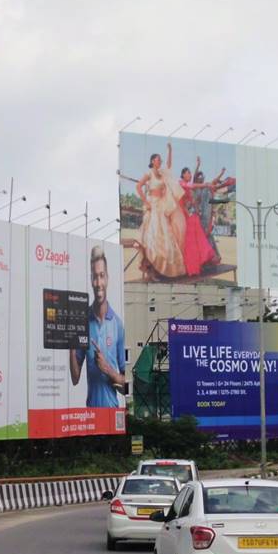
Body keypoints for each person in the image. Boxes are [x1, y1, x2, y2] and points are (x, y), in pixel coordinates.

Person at [69, 244, 126, 408]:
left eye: (102, 276)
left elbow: (126, 387)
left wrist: (107, 369)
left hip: (113, 416)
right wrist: (71, 342)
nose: (98, 282)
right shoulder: (83, 322)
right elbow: (74, 378)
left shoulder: (118, 325)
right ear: (91, 280)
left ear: (107, 278)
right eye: (95, 276)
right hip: (91, 418)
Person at [135, 143, 186, 279]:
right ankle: (151, 266)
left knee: (166, 235)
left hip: (161, 205)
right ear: (152, 161)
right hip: (152, 204)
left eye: (160, 160)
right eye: (158, 159)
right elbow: (138, 186)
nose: (160, 161)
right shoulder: (149, 173)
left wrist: (170, 150)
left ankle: (162, 268)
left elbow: (169, 165)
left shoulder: (162, 173)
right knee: (153, 234)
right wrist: (146, 202)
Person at [179, 165, 216, 276]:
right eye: (188, 173)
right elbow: (192, 185)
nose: (190, 175)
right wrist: (204, 184)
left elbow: (193, 201)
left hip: (190, 214)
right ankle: (190, 266)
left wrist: (197, 209)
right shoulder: (181, 183)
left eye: (190, 173)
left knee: (196, 241)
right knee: (190, 242)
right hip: (181, 213)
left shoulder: (190, 188)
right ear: (183, 174)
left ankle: (195, 266)